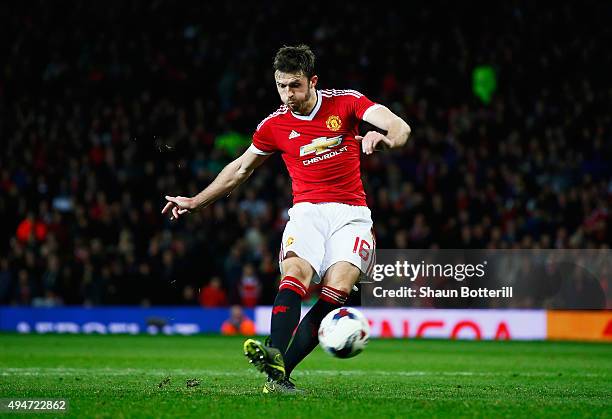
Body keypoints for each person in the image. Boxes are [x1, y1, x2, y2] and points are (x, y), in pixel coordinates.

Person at [162, 44, 411, 393]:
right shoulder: (275, 124)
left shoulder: (348, 102)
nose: (288, 94)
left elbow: (400, 127)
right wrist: (196, 201)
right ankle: (274, 353)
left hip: (351, 216)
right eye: (281, 86)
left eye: (294, 85)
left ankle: (280, 374)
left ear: (313, 81)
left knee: (336, 290)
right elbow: (239, 170)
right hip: (307, 212)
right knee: (295, 274)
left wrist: (381, 137)